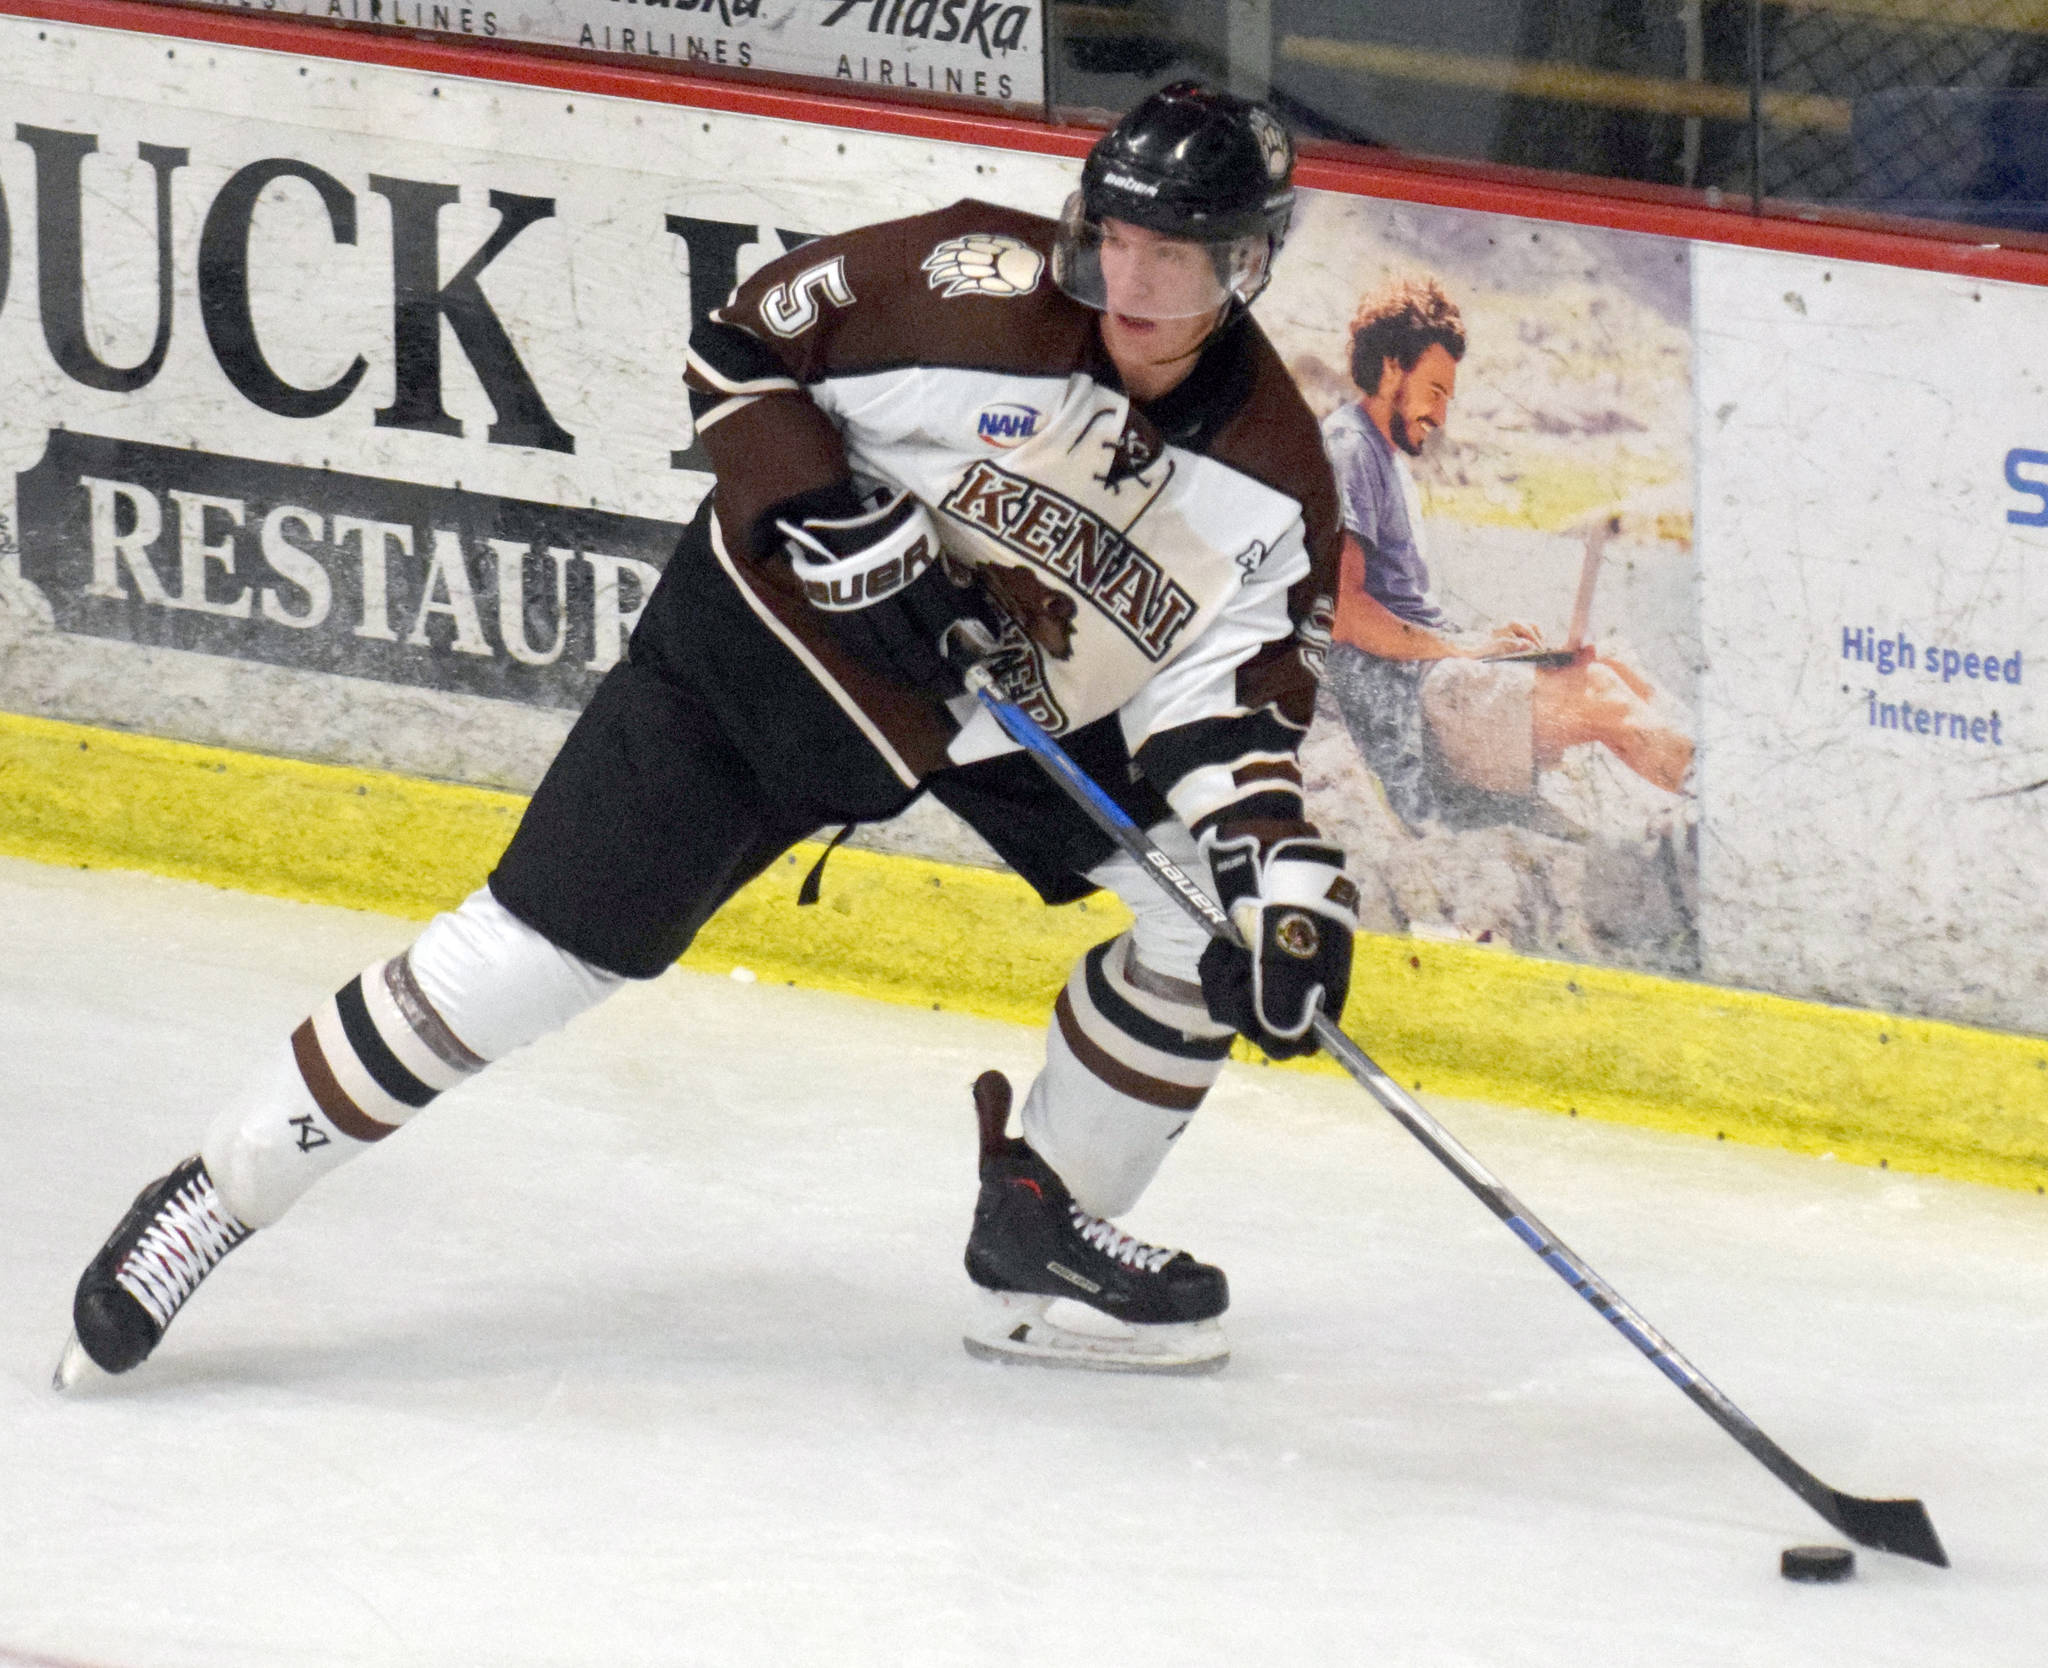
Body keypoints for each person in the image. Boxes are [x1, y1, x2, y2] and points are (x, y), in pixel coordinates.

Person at [59, 83, 1354, 1383]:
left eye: (1172, 254)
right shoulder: (968, 283)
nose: (1130, 277)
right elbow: (741, 344)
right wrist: (827, 516)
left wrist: (1286, 896)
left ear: (1243, 265)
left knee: (1207, 921)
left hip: (997, 715)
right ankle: (217, 1195)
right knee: (520, 964)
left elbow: (1227, 710)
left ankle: (1041, 1241)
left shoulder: (1273, 477)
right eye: (1116, 237)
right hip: (758, 661)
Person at [1321, 278, 1693, 831]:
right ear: (1393, 368)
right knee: (1598, 692)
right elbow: (1345, 616)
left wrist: (1485, 644)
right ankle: (1725, 803)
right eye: (1436, 391)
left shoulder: (1387, 455)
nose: (1442, 415)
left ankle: (1711, 769)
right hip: (1407, 704)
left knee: (1607, 662)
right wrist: (1465, 650)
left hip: (1429, 680)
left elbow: (1402, 609)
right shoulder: (1350, 448)